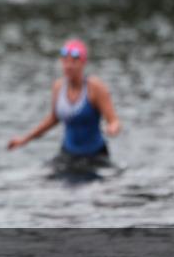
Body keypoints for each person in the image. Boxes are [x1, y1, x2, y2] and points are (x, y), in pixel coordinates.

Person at [7, 39, 121, 172]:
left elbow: (114, 121)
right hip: (68, 153)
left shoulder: (95, 88)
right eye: (65, 61)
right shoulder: (58, 87)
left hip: (95, 156)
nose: (69, 66)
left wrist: (112, 129)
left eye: (74, 62)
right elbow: (53, 119)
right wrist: (23, 140)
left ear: (83, 63)